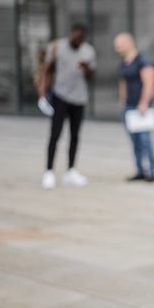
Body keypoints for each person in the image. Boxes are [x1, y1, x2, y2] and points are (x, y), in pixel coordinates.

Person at [40, 23, 96, 190]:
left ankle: (71, 171)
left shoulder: (88, 51)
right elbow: (46, 70)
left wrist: (86, 69)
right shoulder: (57, 47)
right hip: (61, 96)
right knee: (55, 134)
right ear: (71, 34)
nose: (78, 41)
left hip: (79, 99)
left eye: (81, 39)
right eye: (76, 37)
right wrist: (43, 94)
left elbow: (92, 76)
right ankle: (49, 171)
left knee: (75, 136)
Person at [113, 32, 154, 182]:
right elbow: (123, 84)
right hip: (129, 108)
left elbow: (149, 83)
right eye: (116, 45)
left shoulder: (143, 60)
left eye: (120, 44)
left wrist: (144, 103)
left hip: (141, 108)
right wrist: (123, 102)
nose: (118, 48)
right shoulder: (124, 63)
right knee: (134, 142)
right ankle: (140, 170)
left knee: (145, 140)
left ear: (130, 43)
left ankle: (152, 171)